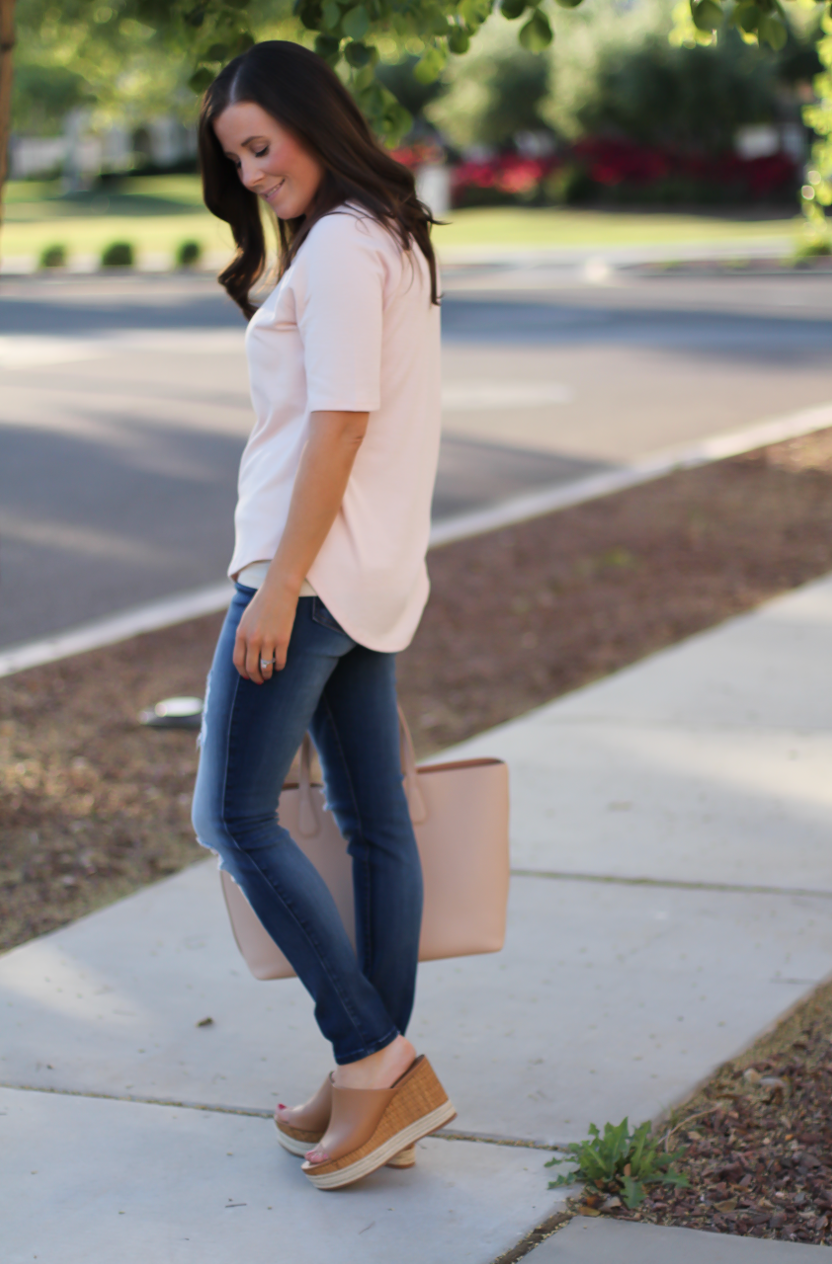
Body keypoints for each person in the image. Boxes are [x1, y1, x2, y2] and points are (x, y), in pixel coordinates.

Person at [191, 40, 454, 1191]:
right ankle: (370, 1079)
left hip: (310, 578)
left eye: (260, 144)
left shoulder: (345, 246)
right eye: (234, 157)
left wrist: (281, 583)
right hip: (372, 575)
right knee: (369, 820)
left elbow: (338, 424)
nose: (250, 172)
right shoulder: (386, 232)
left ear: (311, 120)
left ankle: (375, 1050)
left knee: (233, 816)